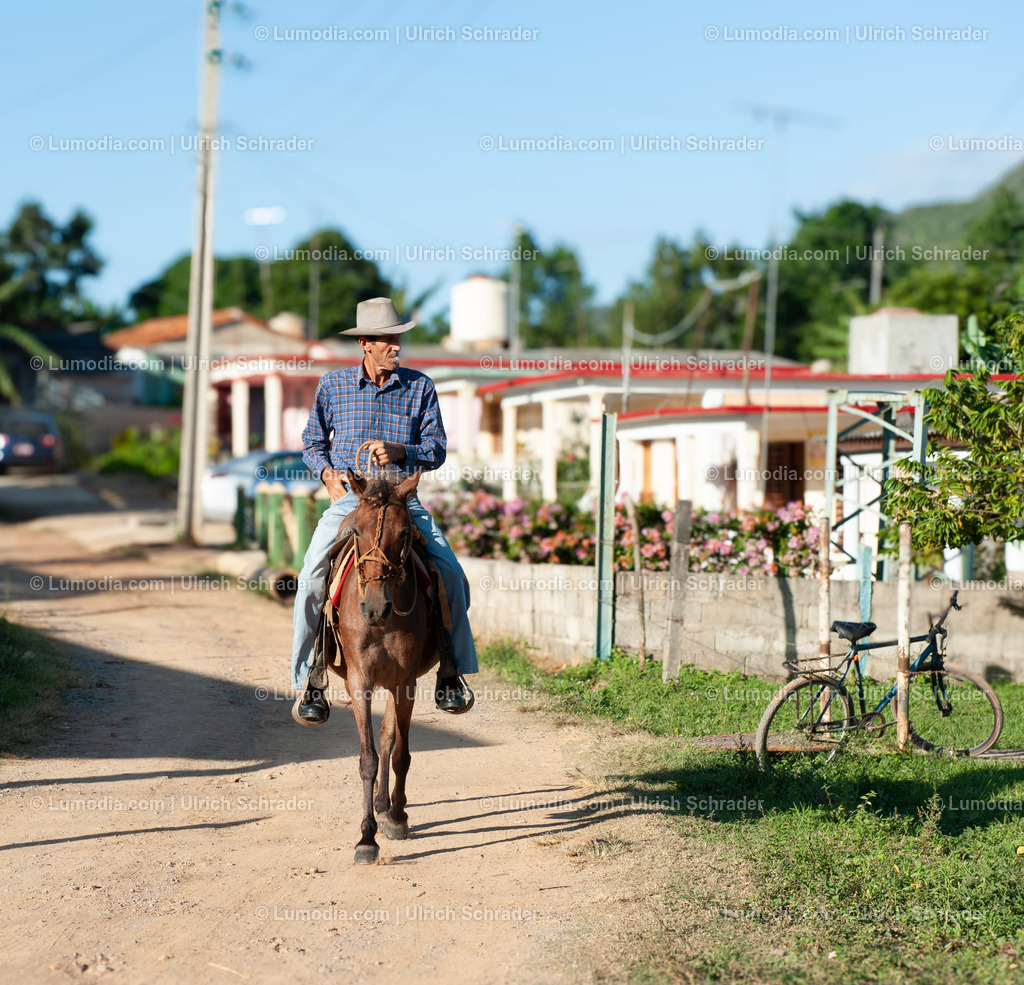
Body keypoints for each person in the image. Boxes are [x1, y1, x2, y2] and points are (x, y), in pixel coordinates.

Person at [289, 297, 476, 726]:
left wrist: (401, 451)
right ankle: (311, 680)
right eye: (389, 340)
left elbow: (438, 450)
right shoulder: (333, 386)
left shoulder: (420, 386)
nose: (396, 346)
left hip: (401, 503)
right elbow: (312, 442)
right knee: (312, 576)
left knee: (451, 574)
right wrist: (328, 475)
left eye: (397, 339)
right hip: (351, 504)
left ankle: (451, 671)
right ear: (366, 344)